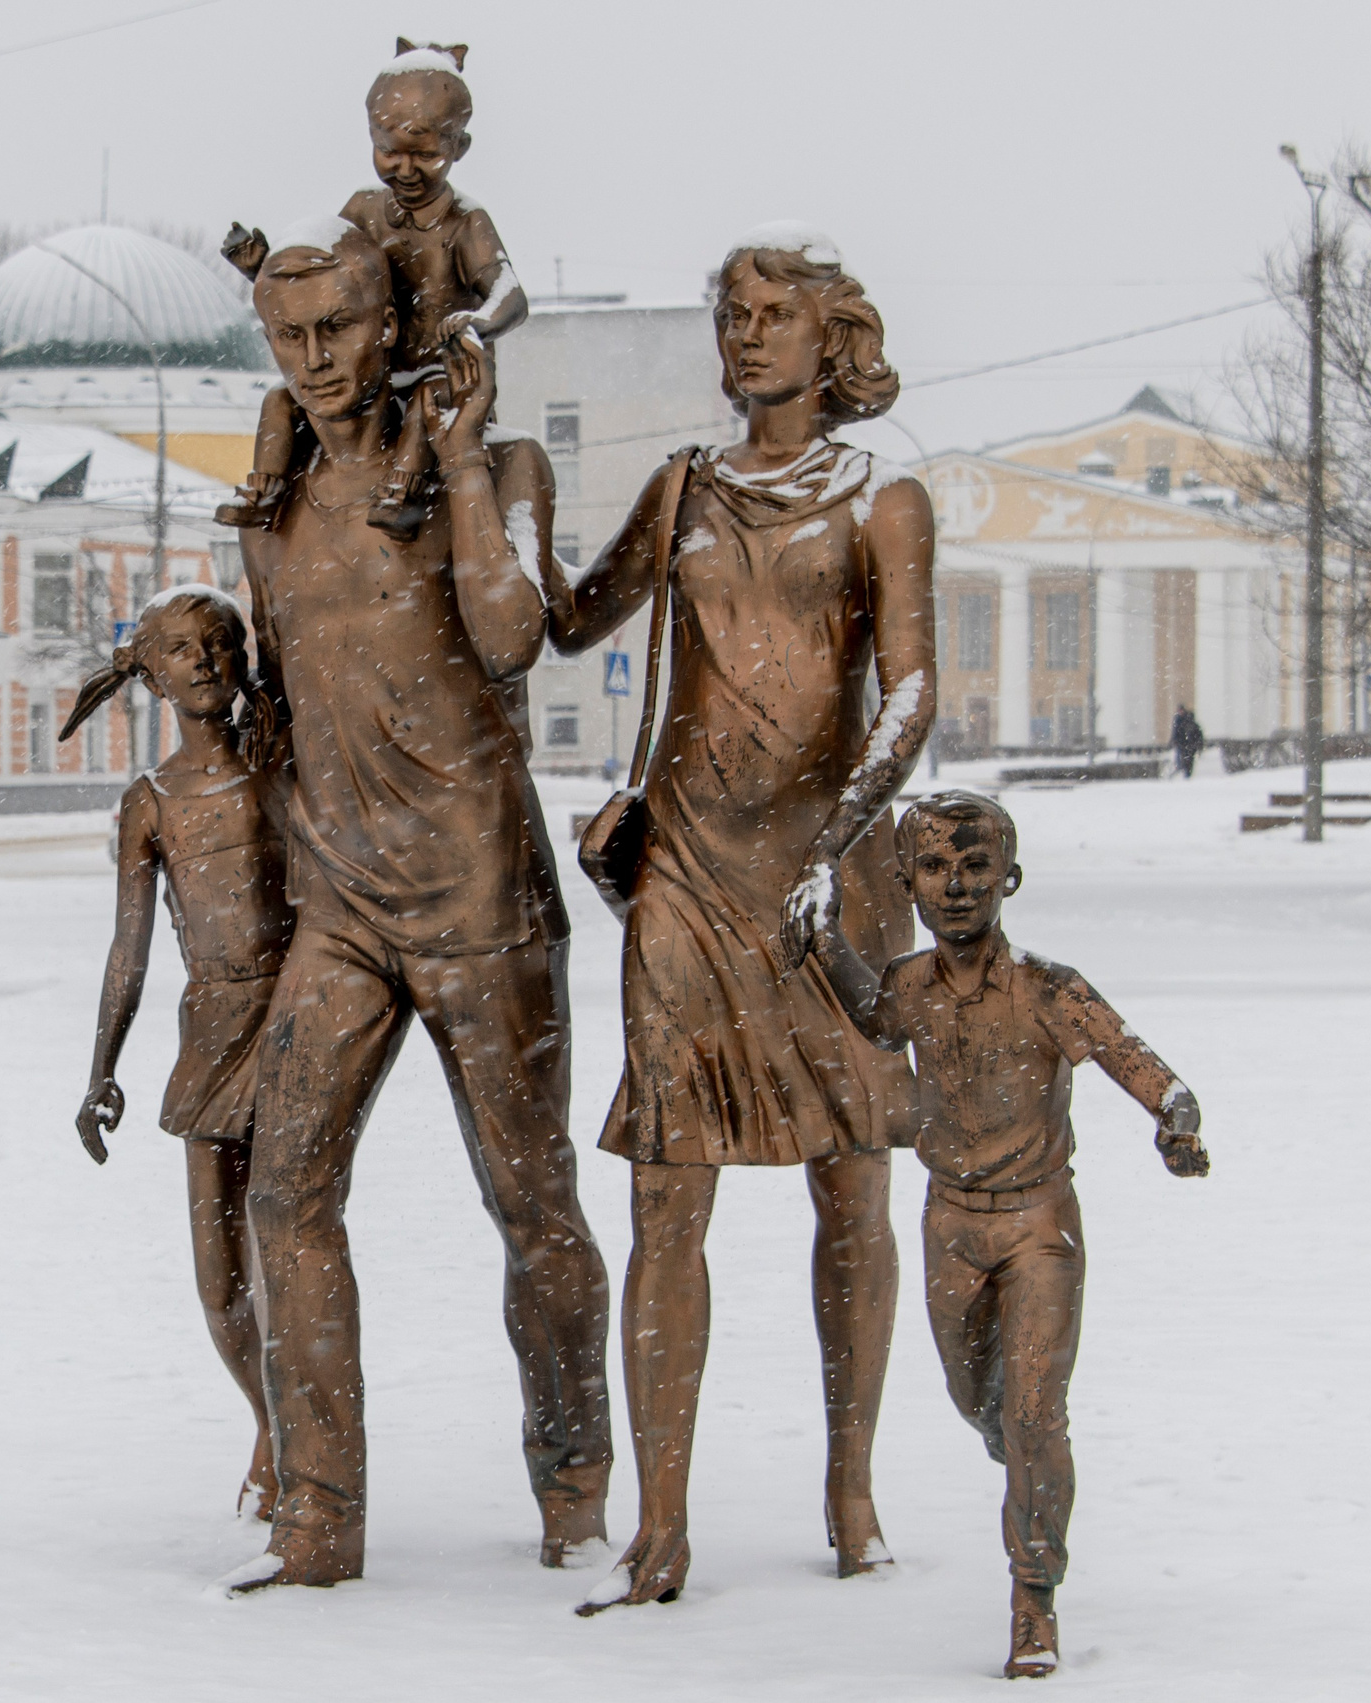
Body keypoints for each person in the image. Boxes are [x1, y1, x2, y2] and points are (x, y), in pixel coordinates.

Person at [222, 216, 608, 1594]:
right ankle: (323, 1519)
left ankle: (573, 1490)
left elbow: (514, 636)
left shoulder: (500, 467)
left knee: (532, 1202)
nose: (316, 359)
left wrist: (454, 463)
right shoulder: (271, 514)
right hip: (341, 908)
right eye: (288, 336)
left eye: (339, 328)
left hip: (480, 898)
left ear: (394, 326)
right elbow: (279, 711)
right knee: (286, 1189)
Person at [553, 225, 936, 1611]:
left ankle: (851, 1482)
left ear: (834, 338)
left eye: (774, 313)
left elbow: (910, 691)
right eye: (732, 311)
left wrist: (843, 838)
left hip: (828, 879)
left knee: (853, 1180)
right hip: (688, 878)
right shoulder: (686, 488)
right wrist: (494, 477)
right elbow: (568, 620)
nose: (747, 333)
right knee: (667, 1193)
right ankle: (662, 1519)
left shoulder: (882, 496)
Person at [812, 792, 1209, 1680]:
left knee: (1033, 1412)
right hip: (949, 1223)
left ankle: (1034, 1601)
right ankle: (1020, 1447)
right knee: (977, 1399)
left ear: (1010, 878)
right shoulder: (910, 988)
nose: (957, 886)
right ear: (909, 883)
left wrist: (1175, 1123)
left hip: (1039, 1227)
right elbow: (873, 1015)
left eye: (976, 866)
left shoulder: (1048, 989)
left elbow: (1148, 1068)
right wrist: (822, 933)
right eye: (937, 869)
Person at [70, 585, 293, 1521]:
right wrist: (100, 1068)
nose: (202, 660)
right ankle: (270, 1416)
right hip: (209, 1028)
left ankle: (291, 1443)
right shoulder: (150, 804)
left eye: (217, 642)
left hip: (295, 1015)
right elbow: (130, 947)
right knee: (220, 1279)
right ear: (151, 673)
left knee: (293, 1241)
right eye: (180, 649)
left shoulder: (284, 764)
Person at [217, 40, 528, 541]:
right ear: (371, 140)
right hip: (372, 375)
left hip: (442, 374)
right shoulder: (363, 208)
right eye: (389, 151)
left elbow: (511, 295)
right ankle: (266, 492)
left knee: (431, 396)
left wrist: (480, 321)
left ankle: (402, 493)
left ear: (458, 148)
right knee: (281, 398)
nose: (405, 170)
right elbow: (327, 282)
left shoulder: (466, 223)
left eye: (425, 154)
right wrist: (261, 269)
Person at [1170, 704, 1205, 779]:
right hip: (1183, 745)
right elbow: (1176, 733)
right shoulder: (1178, 721)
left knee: (1188, 760)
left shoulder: (1187, 722)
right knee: (1184, 760)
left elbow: (1197, 734)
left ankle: (1186, 773)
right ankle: (1184, 773)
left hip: (1188, 745)